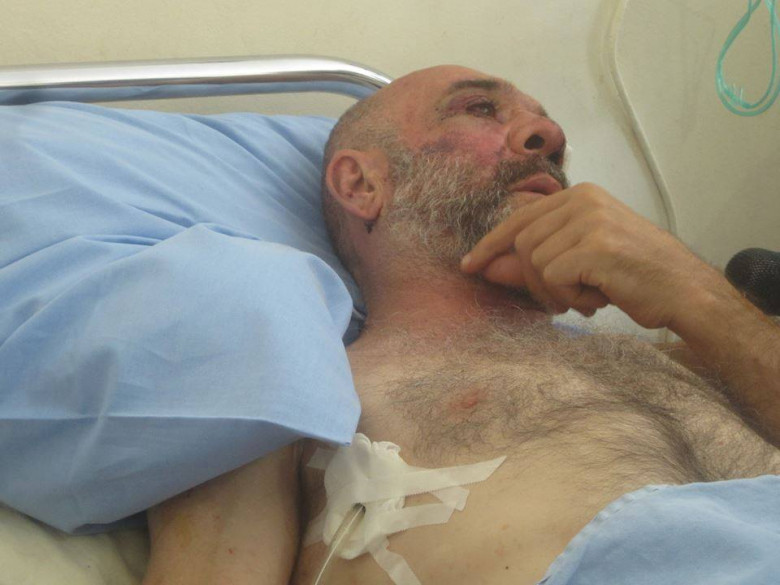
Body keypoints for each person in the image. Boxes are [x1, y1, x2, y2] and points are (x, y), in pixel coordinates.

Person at [143, 65, 780, 585]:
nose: (551, 136)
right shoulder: (286, 387)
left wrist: (697, 297)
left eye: (547, 126)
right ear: (362, 185)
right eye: (479, 109)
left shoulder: (673, 358)